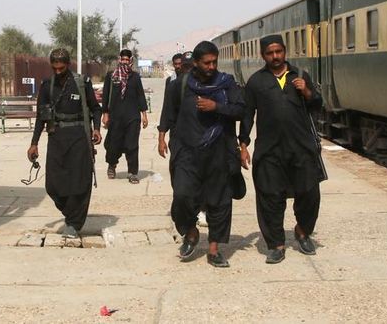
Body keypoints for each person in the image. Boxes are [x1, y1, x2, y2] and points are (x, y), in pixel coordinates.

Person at [157, 41, 245, 268]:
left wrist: (216, 107)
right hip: (187, 152)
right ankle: (191, 231)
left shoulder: (226, 84)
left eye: (215, 62)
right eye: (207, 63)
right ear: (195, 63)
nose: (212, 66)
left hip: (219, 152)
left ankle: (214, 249)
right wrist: (162, 135)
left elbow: (240, 110)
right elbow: (169, 110)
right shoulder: (182, 84)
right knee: (183, 197)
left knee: (219, 202)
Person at [239, 34, 325, 264]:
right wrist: (243, 144)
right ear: (263, 55)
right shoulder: (256, 82)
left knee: (309, 193)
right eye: (270, 53)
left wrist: (307, 91)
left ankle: (303, 231)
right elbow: (247, 114)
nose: (275, 56)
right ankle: (276, 244)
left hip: (301, 147)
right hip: (269, 150)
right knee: (270, 197)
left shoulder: (300, 76)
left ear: (285, 52)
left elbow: (318, 105)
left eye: (279, 52)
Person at [27, 48, 102, 238]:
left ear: (68, 65)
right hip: (56, 137)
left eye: (61, 68)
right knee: (53, 185)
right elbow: (40, 117)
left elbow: (95, 109)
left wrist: (96, 129)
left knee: (79, 182)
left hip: (79, 138)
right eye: (55, 68)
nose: (58, 72)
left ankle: (74, 224)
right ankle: (71, 213)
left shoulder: (81, 83)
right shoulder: (47, 85)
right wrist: (34, 143)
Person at [102, 49, 149, 183]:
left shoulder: (135, 76)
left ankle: (132, 172)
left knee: (132, 145)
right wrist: (105, 114)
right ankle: (112, 165)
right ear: (119, 59)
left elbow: (141, 95)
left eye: (127, 60)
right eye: (123, 59)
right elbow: (105, 95)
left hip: (132, 117)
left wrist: (144, 115)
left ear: (131, 61)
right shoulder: (112, 76)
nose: (125, 62)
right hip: (115, 117)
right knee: (113, 144)